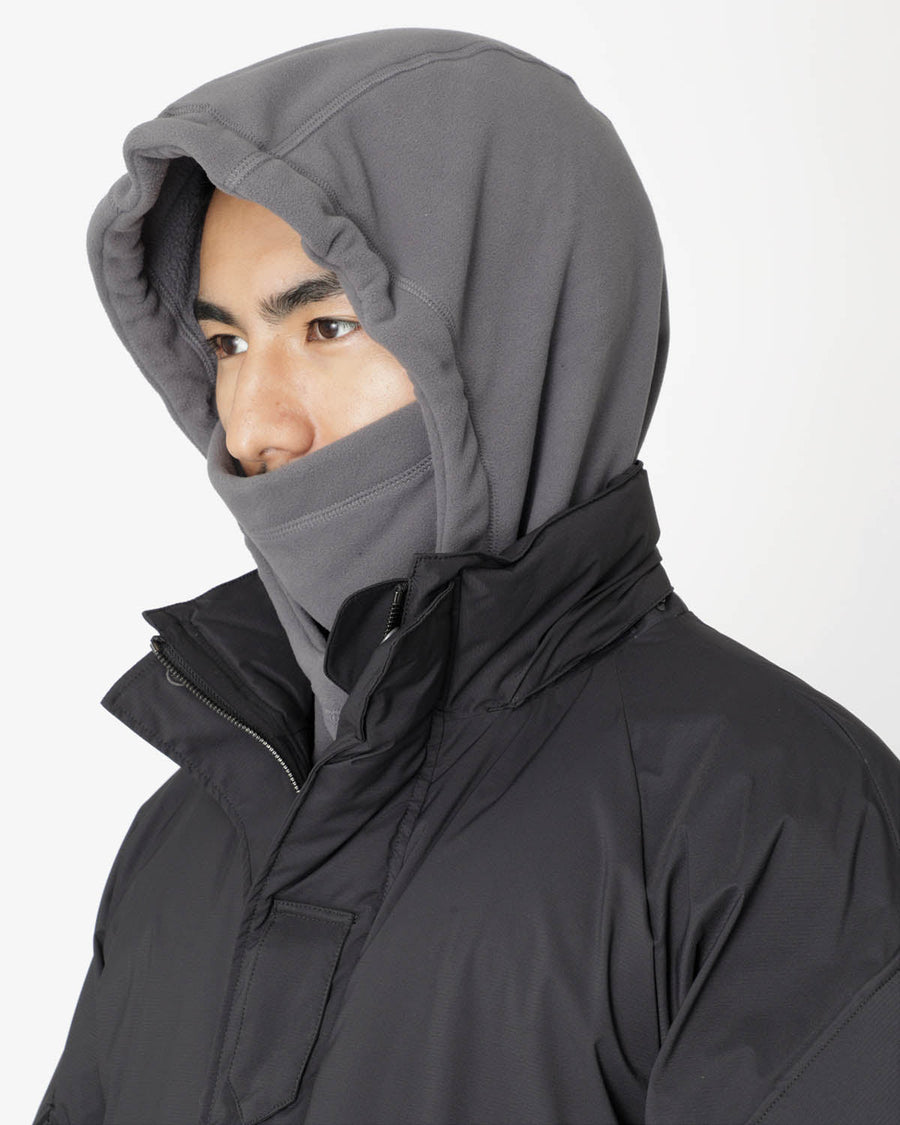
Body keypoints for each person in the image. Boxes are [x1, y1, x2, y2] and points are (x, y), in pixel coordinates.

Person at [34, 27, 898, 1125]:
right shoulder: (189, 835)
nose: (252, 428)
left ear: (520, 335)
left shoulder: (771, 824)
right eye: (228, 346)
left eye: (328, 325)